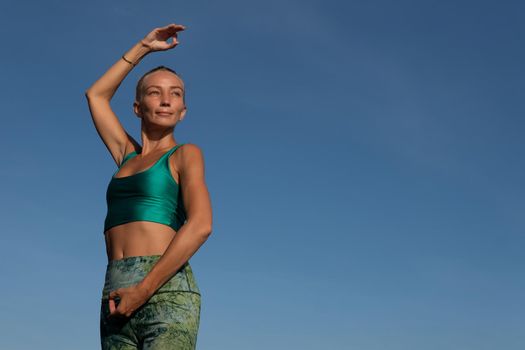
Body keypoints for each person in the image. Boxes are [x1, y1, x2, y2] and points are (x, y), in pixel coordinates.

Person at [85, 23, 213, 349]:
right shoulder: (126, 156)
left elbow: (201, 226)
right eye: (155, 92)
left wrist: (143, 290)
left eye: (176, 94)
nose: (166, 100)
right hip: (114, 288)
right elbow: (96, 95)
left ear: (183, 112)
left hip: (165, 289)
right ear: (137, 107)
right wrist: (144, 46)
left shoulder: (185, 154)